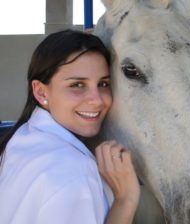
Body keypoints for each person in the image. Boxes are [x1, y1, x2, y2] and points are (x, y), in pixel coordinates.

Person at [0, 29, 140, 224]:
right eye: (77, 85)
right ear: (41, 92)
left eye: (103, 83)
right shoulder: (74, 173)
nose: (97, 100)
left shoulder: (23, 138)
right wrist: (125, 199)